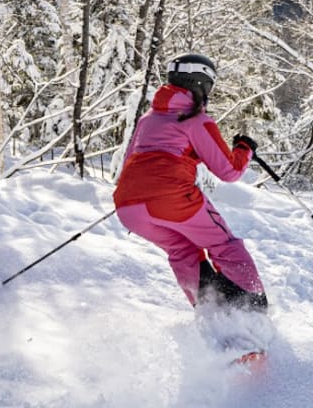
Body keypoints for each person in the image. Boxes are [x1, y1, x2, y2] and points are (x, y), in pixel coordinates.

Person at [113, 52, 268, 312]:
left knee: (182, 250)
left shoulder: (147, 119)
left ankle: (211, 314)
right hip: (172, 199)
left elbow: (133, 161)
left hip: (128, 207)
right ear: (201, 84)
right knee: (224, 244)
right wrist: (244, 148)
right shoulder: (197, 121)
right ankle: (249, 313)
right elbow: (229, 171)